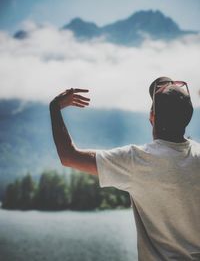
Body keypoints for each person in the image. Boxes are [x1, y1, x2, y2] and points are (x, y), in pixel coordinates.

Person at [49, 77, 200, 260]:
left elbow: (68, 156)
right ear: (187, 118)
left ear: (152, 117)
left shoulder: (137, 161)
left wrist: (54, 107)